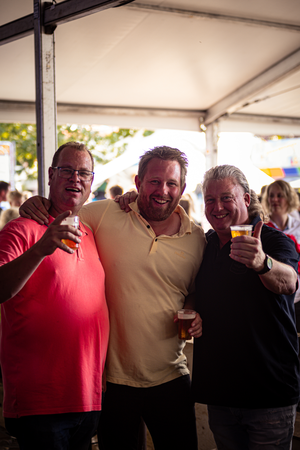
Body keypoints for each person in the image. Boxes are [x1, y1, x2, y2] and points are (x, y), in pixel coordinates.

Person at [20, 146, 207, 450]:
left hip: (171, 375)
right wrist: (36, 202)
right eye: (154, 181)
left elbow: (195, 291)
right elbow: (62, 210)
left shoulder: (196, 237)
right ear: (138, 182)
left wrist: (192, 310)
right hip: (112, 381)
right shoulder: (104, 213)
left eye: (171, 183)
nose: (163, 190)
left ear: (182, 188)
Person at [0, 141, 109, 450]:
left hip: (87, 397)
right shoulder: (21, 229)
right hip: (40, 403)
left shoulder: (89, 232)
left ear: (91, 183)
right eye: (67, 170)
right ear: (50, 175)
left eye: (84, 173)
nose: (76, 178)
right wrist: (41, 248)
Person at [192, 165, 300, 450]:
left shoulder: (274, 240)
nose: (217, 207)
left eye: (226, 197)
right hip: (221, 393)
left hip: (268, 394)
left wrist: (262, 263)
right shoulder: (206, 244)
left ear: (246, 198)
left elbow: (289, 282)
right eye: (210, 199)